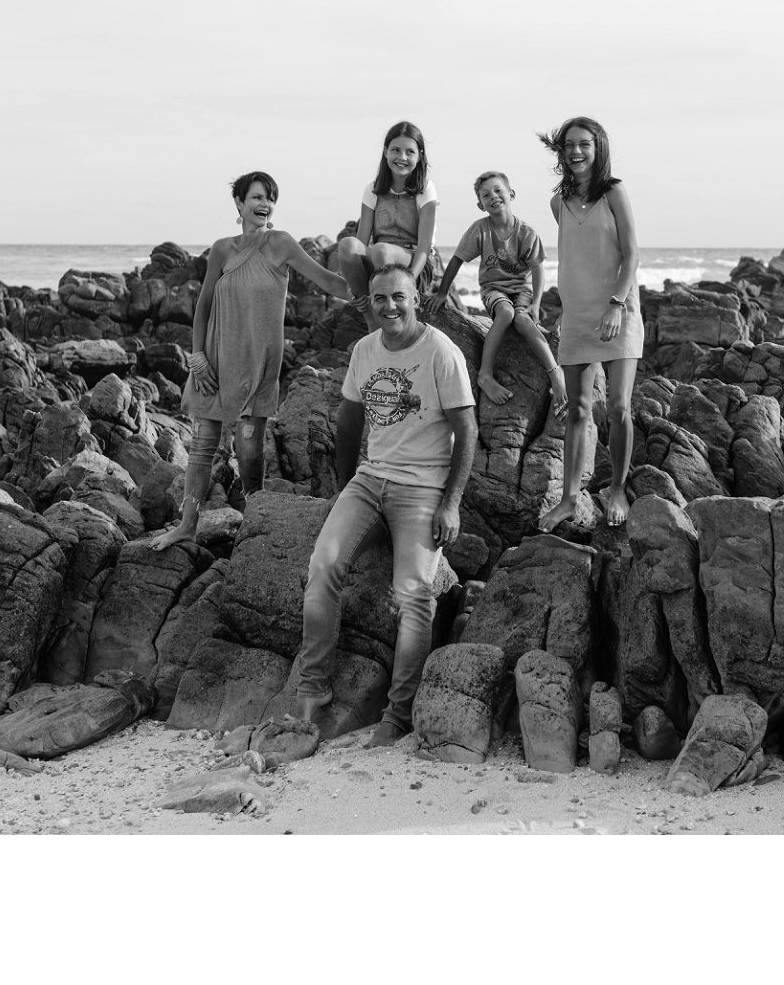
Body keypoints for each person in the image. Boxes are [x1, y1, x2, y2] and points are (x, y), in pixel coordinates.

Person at [293, 264, 478, 748]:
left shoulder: (441, 351)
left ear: (415, 298)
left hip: (422, 490)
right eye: (380, 299)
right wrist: (344, 485)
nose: (390, 307)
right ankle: (312, 691)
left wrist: (451, 503)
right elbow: (350, 418)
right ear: (369, 303)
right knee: (322, 568)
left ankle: (397, 714)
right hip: (370, 481)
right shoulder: (365, 349)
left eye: (398, 297)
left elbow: (468, 431)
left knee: (413, 593)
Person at [150, 171, 352, 551]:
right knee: (203, 443)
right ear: (239, 204)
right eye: (257, 197)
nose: (264, 204)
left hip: (259, 360)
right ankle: (186, 526)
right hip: (214, 358)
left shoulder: (281, 244)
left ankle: (253, 513)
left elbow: (330, 283)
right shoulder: (222, 249)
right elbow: (204, 304)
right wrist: (196, 358)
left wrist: (379, 288)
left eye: (271, 198)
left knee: (249, 444)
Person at [534, 116, 644, 532]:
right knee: (578, 409)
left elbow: (630, 253)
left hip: (618, 311)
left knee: (618, 406)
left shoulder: (614, 192)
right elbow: (578, 257)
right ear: (560, 153)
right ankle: (568, 498)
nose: (576, 152)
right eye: (568, 145)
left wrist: (616, 303)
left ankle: (617, 488)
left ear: (598, 149)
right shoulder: (556, 203)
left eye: (584, 144)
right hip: (577, 316)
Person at [425, 170, 567, 415]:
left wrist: (536, 304)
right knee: (505, 314)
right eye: (486, 194)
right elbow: (457, 260)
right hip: (493, 289)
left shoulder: (526, 233)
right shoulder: (480, 230)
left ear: (511, 194)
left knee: (522, 319)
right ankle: (485, 375)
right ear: (481, 205)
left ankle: (555, 373)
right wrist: (442, 293)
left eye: (498, 190)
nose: (493, 196)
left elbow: (538, 269)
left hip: (521, 290)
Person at [334, 121, 443, 326]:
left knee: (381, 250)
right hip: (378, 262)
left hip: (415, 264)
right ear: (385, 152)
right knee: (347, 245)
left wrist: (410, 279)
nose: (402, 157)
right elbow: (361, 243)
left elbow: (424, 247)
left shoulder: (425, 190)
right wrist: (352, 281)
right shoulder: (373, 190)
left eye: (409, 152)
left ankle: (393, 317)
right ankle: (372, 321)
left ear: (419, 155)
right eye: (395, 150)